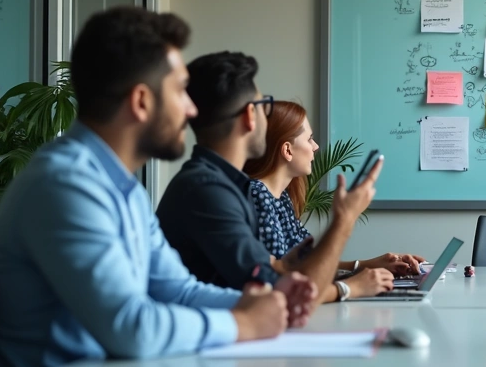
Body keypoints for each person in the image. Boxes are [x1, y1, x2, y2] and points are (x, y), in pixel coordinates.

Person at [0, 8, 317, 367]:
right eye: (180, 91)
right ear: (141, 101)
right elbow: (132, 327)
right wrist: (242, 323)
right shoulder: (65, 186)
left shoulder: (121, 187)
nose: (192, 110)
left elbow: (176, 289)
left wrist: (268, 301)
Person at [156, 52, 391, 304]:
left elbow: (272, 271)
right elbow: (280, 293)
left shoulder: (224, 186)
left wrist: (287, 266)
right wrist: (345, 220)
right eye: (263, 105)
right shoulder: (208, 191)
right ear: (250, 115)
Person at [241, 100, 425, 276]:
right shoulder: (258, 195)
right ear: (287, 150)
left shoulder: (280, 197)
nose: (316, 147)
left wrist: (368, 265)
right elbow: (283, 277)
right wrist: (353, 286)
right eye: (310, 139)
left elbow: (310, 262)